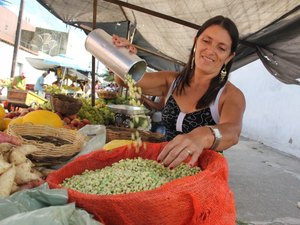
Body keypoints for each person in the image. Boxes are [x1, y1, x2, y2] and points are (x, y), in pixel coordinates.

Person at [112, 15, 246, 169]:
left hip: (202, 178)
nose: (210, 50)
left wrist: (204, 135)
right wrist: (123, 56)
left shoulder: (230, 95)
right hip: (162, 170)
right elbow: (125, 80)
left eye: (221, 48)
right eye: (206, 41)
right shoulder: (171, 81)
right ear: (196, 41)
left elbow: (232, 132)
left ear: (229, 57)